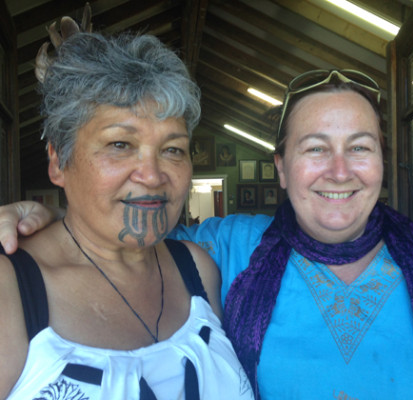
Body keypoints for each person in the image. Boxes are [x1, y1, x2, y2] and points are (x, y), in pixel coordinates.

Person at [1, 69, 413, 400]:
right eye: (316, 149)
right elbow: (123, 236)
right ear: (280, 167)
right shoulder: (228, 249)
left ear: (383, 163)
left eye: (360, 148)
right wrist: (42, 218)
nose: (339, 171)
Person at [0, 18, 253, 400]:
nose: (152, 176)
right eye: (119, 144)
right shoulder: (12, 288)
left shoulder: (196, 269)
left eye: (173, 149)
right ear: (57, 161)